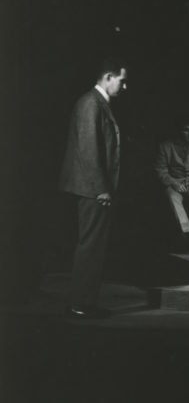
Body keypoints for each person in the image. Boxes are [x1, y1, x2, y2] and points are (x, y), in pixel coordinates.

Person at [57, 57, 129, 318]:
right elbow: (89, 149)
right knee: (91, 246)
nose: (124, 86)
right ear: (108, 77)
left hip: (92, 187)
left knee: (93, 246)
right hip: (91, 189)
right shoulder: (91, 103)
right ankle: (80, 304)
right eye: (122, 80)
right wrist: (101, 188)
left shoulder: (97, 103)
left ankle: (84, 303)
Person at [154, 119, 189, 236]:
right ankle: (187, 231)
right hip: (175, 182)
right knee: (173, 196)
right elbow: (161, 170)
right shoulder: (165, 146)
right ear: (179, 131)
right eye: (186, 130)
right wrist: (173, 183)